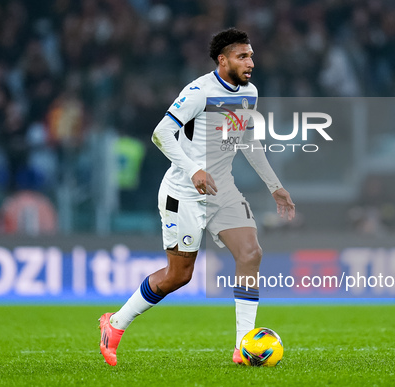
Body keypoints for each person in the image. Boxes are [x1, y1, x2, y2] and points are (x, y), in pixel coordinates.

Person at [98, 28, 295, 366]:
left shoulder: (250, 93)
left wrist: (274, 185)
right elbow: (161, 133)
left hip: (222, 190)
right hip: (183, 192)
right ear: (223, 60)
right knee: (179, 275)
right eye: (242, 56)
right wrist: (193, 171)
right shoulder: (199, 92)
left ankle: (242, 348)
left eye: (251, 55)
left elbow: (246, 140)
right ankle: (115, 323)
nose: (251, 62)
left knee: (250, 253)